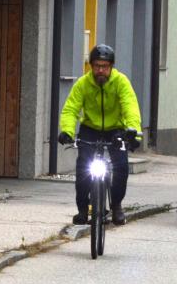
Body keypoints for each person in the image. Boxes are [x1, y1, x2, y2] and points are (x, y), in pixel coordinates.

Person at [57, 44, 143, 226]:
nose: (100, 70)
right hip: (90, 129)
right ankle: (82, 209)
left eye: (104, 66)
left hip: (116, 130)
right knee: (82, 169)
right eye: (97, 66)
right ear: (91, 66)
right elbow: (71, 109)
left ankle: (117, 205)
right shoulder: (83, 84)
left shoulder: (121, 82)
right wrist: (67, 131)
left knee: (121, 166)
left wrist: (134, 133)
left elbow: (130, 107)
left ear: (111, 66)